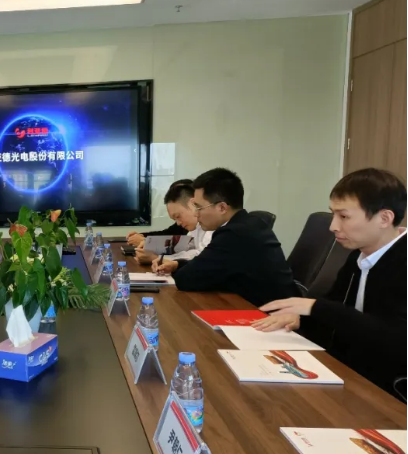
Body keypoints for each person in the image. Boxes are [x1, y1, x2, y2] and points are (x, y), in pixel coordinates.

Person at [253, 168, 406, 398]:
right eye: (333, 214)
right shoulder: (358, 256)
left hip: (388, 391)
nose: (333, 226)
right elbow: (335, 310)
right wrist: (300, 318)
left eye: (344, 216)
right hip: (348, 372)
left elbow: (395, 340)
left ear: (384, 218)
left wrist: (315, 307)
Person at [153, 168, 298, 306]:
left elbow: (185, 279)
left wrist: (179, 268)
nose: (196, 214)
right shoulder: (247, 223)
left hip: (275, 315)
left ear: (222, 208)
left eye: (198, 207)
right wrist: (177, 265)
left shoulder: (234, 234)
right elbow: (205, 266)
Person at [136, 180, 213, 264]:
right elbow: (187, 249)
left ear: (193, 203)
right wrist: (152, 246)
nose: (178, 223)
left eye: (178, 216)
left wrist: (158, 258)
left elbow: (202, 257)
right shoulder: (195, 227)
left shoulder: (212, 226)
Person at [126, 179, 191, 247]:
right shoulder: (182, 223)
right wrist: (141, 236)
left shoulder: (195, 226)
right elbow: (167, 234)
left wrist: (147, 242)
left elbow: (182, 247)